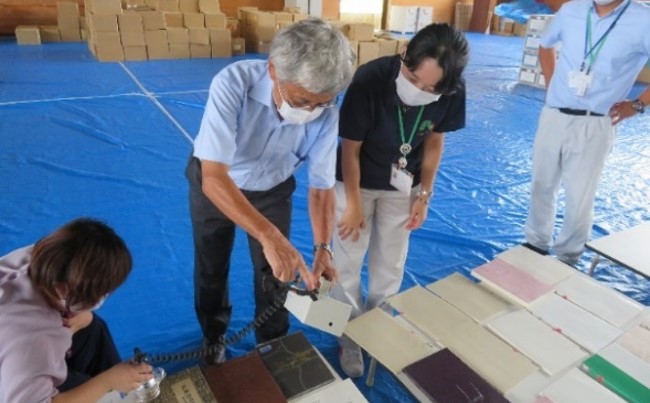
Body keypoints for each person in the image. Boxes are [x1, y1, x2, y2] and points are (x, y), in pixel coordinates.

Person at [185, 18, 356, 363]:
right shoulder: (233, 82)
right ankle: (213, 335)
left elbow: (321, 187)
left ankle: (273, 341)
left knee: (279, 271)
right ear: (274, 71)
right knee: (211, 265)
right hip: (217, 185)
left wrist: (323, 247)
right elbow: (214, 177)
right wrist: (268, 234)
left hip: (273, 188)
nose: (310, 111)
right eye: (302, 100)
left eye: (321, 103)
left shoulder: (326, 111)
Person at [330, 23, 469, 377]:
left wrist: (424, 193)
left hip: (403, 183)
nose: (419, 90)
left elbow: (435, 141)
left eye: (430, 89)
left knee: (390, 261)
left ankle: (376, 326)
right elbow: (350, 147)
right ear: (405, 54)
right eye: (413, 78)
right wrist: (354, 203)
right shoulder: (370, 79)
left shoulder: (453, 90)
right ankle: (347, 332)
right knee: (346, 258)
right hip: (356, 179)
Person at [523, 0, 650, 265]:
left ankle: (567, 256)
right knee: (541, 184)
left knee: (579, 195)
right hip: (554, 115)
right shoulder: (572, 10)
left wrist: (638, 104)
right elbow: (545, 46)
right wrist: (551, 87)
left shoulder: (643, 19)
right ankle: (535, 243)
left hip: (595, 122)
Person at [0, 218, 153, 403]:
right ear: (63, 290)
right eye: (101, 294)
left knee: (92, 327)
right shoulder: (36, 341)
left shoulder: (41, 254)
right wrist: (107, 381)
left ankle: (122, 389)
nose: (102, 299)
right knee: (86, 386)